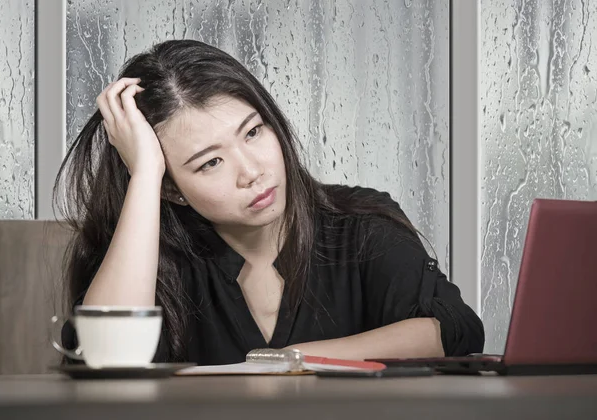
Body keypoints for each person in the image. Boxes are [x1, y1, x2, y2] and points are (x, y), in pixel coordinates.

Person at [57, 39, 484, 365]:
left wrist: (287, 362)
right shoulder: (146, 256)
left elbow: (454, 330)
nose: (252, 172)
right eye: (210, 163)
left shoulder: (358, 225)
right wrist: (146, 173)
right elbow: (103, 359)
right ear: (172, 189)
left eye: (253, 132)